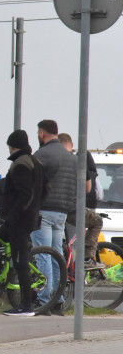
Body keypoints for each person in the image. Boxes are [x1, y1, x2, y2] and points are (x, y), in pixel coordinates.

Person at [0, 130, 44, 316]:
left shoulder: (21, 164)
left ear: (12, 145)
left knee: (20, 263)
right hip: (26, 217)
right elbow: (45, 188)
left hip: (19, 221)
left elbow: (25, 194)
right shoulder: (36, 162)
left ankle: (26, 305)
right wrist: (36, 206)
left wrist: (15, 215)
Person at [32, 120, 76, 315]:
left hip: (44, 211)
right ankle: (58, 300)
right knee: (58, 255)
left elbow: (33, 183)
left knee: (44, 254)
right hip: (62, 212)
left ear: (42, 133)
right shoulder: (70, 158)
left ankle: (44, 300)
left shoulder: (42, 155)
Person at [58, 133, 104, 270]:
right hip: (73, 209)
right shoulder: (77, 161)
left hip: (54, 208)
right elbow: (89, 189)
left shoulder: (54, 160)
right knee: (97, 221)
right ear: (71, 145)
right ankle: (87, 258)